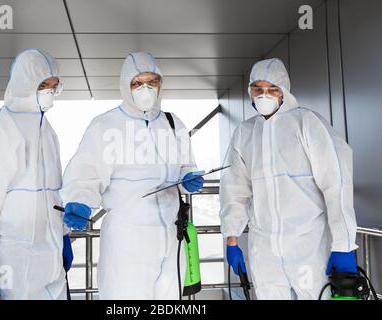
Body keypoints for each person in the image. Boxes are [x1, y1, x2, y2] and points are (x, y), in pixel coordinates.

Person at [60, 52, 204, 299]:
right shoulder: (106, 125)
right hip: (127, 238)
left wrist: (187, 179)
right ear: (126, 86)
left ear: (160, 83)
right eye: (137, 83)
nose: (145, 89)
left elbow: (184, 167)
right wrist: (80, 200)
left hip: (171, 235)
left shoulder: (173, 124)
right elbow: (86, 173)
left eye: (152, 82)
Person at [220, 58, 358, 300]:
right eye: (257, 89)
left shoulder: (306, 123)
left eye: (271, 89)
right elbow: (234, 189)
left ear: (283, 90)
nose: (264, 95)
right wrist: (232, 240)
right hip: (264, 249)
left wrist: (343, 244)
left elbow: (336, 183)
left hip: (309, 245)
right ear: (250, 92)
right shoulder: (244, 133)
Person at [0, 49, 72, 300]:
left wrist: (63, 235)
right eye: (43, 85)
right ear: (25, 84)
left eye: (54, 86)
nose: (49, 92)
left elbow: (52, 195)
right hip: (13, 263)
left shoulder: (47, 132)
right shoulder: (0, 128)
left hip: (50, 263)